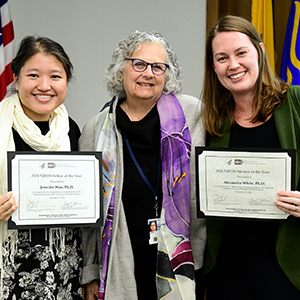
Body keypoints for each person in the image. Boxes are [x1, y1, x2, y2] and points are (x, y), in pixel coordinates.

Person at [79, 30, 206, 300]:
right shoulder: (95, 131)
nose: (148, 73)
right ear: (120, 70)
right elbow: (88, 216)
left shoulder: (193, 115)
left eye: (158, 67)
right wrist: (90, 272)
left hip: (184, 260)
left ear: (167, 75)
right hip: (120, 260)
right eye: (139, 64)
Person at [200, 15, 300, 299]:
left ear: (260, 51)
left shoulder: (296, 103)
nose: (233, 65)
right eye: (222, 58)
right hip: (227, 273)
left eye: (241, 53)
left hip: (287, 272)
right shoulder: (209, 121)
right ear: (213, 66)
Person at [0, 36, 83, 299]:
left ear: (66, 81)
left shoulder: (72, 130)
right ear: (16, 79)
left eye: (55, 77)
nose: (44, 86)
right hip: (9, 264)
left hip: (62, 264)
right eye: (33, 75)